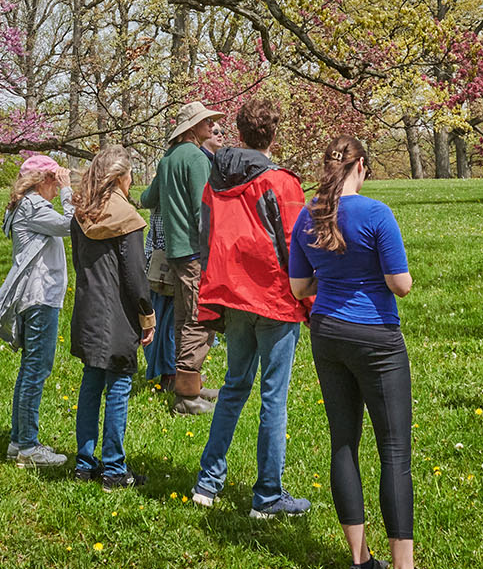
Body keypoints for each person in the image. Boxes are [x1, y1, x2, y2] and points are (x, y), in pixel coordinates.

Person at [290, 137, 415, 569]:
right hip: (377, 336)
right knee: (394, 451)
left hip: (327, 333)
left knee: (344, 442)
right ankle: (403, 565)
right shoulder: (376, 213)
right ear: (360, 165)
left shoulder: (308, 215)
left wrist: (335, 279)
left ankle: (361, 561)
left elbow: (299, 288)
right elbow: (400, 284)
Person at [189, 98, 311, 519]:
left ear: (239, 132)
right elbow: (298, 247)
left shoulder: (215, 181)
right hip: (276, 299)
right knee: (273, 397)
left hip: (233, 297)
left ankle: (208, 480)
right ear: (273, 134)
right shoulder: (283, 183)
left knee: (234, 386)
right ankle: (268, 495)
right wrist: (309, 301)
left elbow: (206, 239)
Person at [0, 154, 75, 468]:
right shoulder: (34, 205)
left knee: (29, 370)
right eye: (54, 179)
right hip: (40, 296)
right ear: (44, 180)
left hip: (34, 296)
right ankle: (29, 448)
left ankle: (18, 442)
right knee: (37, 370)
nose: (56, 184)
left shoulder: (27, 205)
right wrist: (67, 190)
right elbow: (72, 226)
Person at [68, 144, 156, 490]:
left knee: (91, 383)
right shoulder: (127, 218)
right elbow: (136, 276)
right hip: (118, 312)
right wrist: (146, 316)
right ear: (120, 177)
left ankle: (84, 463)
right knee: (118, 387)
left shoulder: (82, 212)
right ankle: (114, 469)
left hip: (89, 306)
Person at [141, 101, 226, 414]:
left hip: (173, 252)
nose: (211, 126)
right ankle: (187, 398)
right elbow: (201, 210)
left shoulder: (169, 159)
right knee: (198, 319)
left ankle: (189, 385)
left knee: (182, 319)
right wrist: (215, 251)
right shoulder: (195, 158)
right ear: (192, 128)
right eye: (206, 122)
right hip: (194, 251)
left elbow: (147, 198)